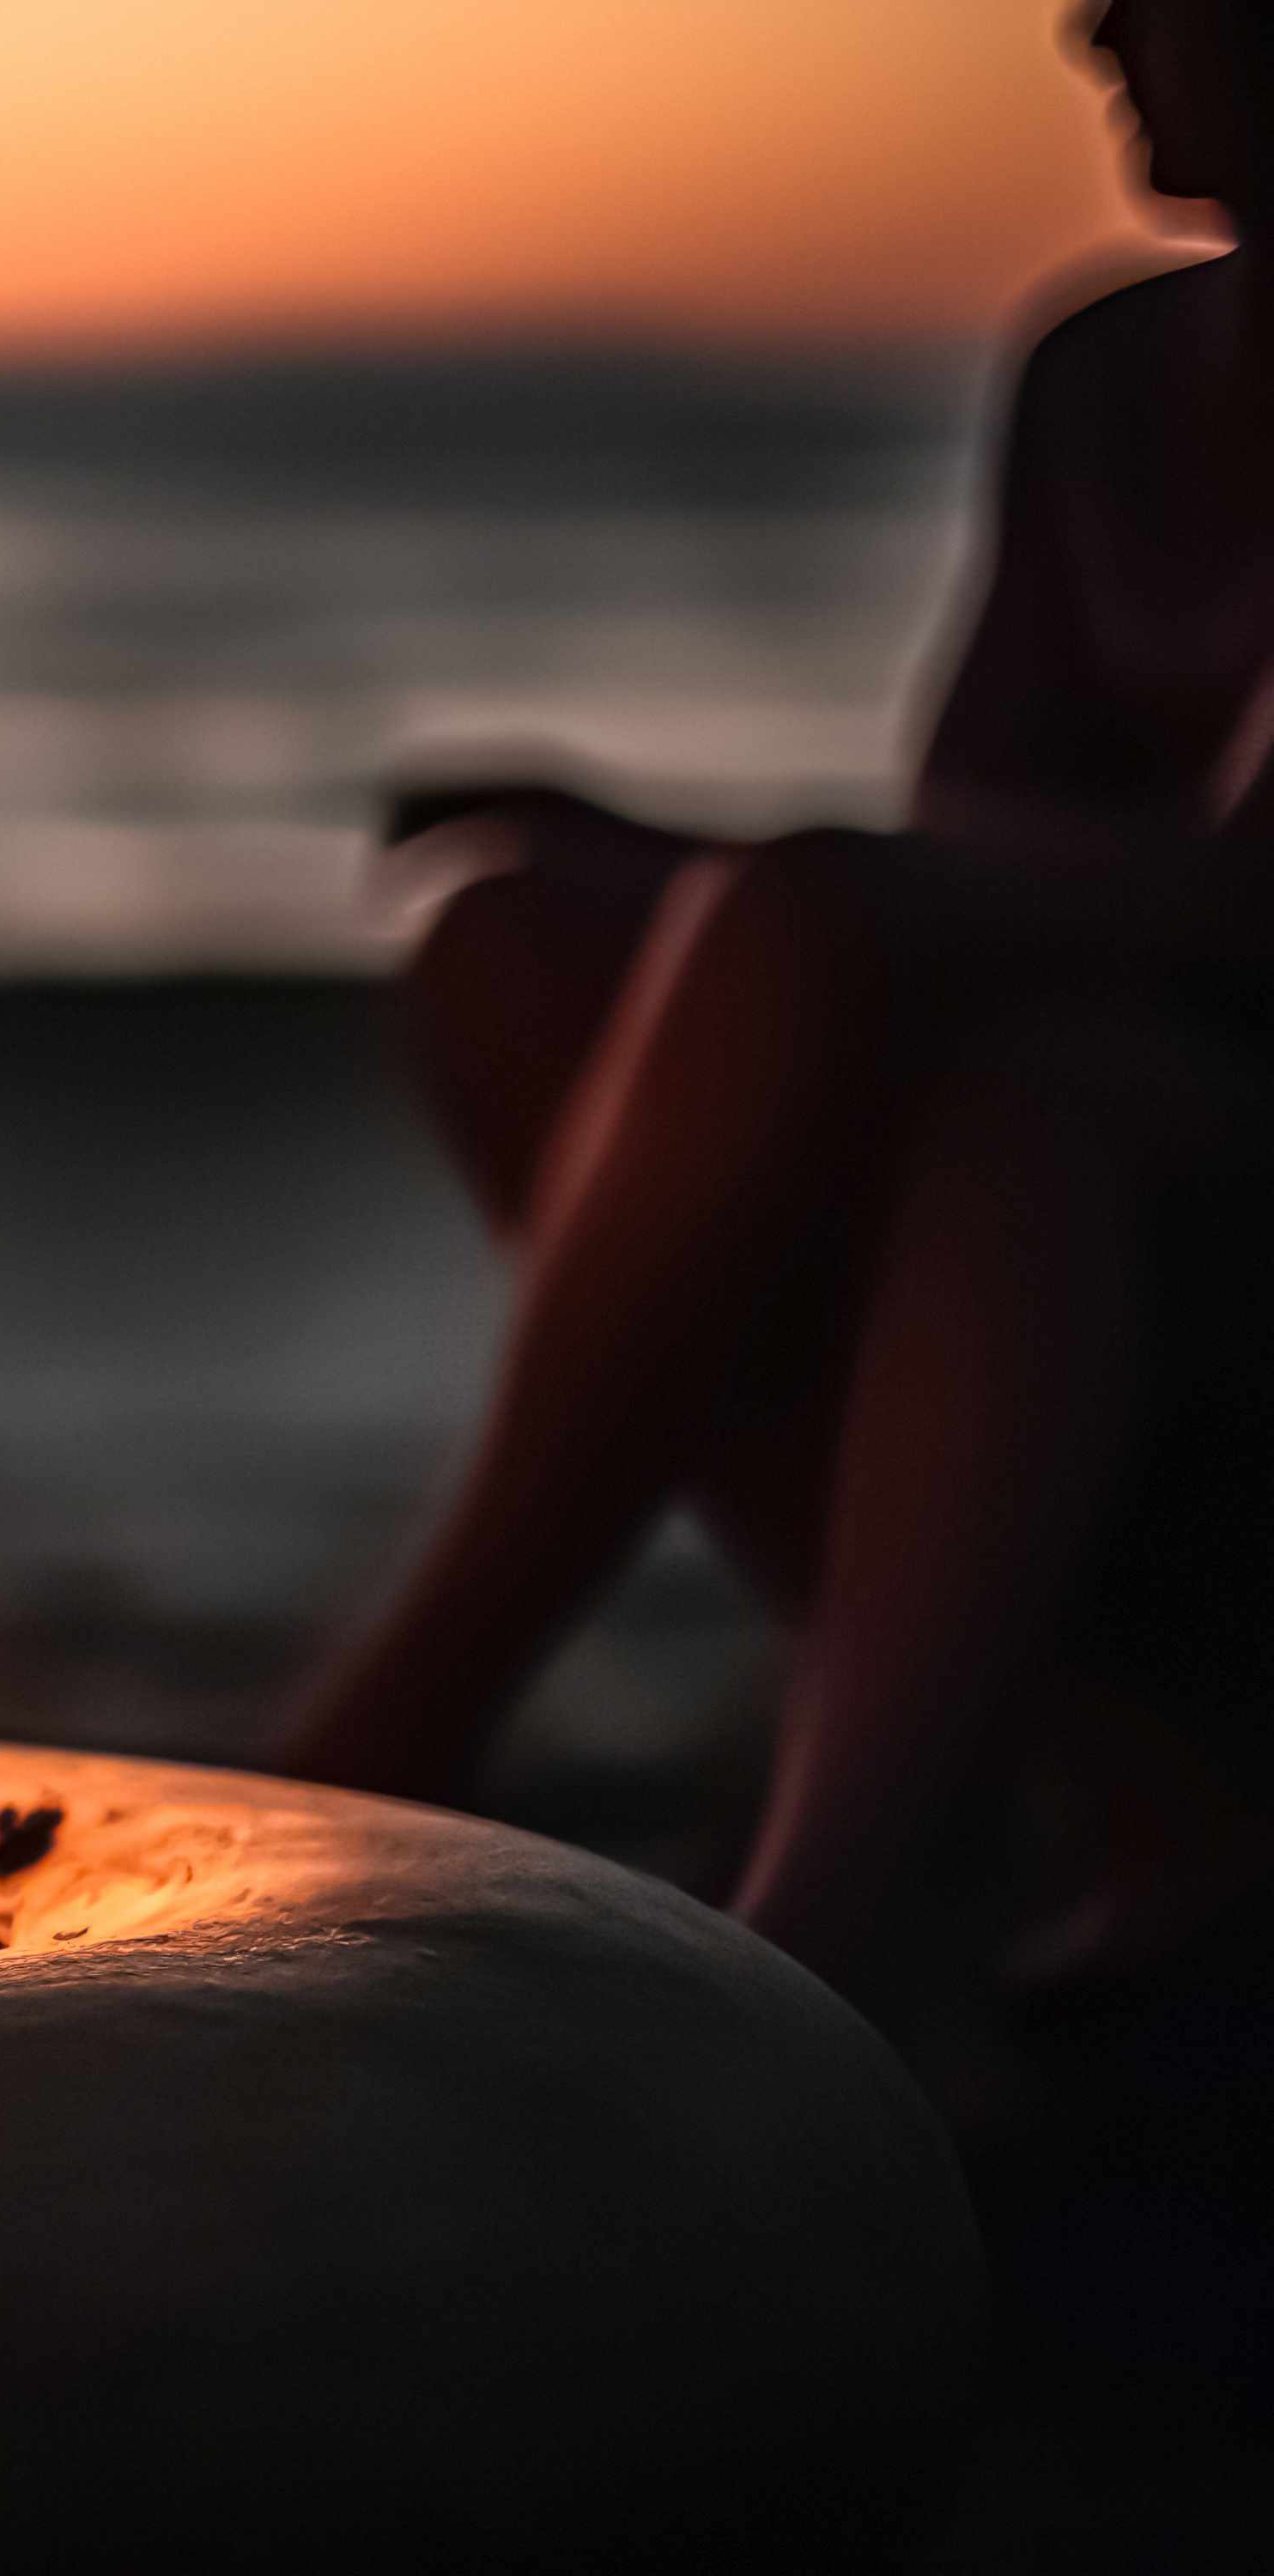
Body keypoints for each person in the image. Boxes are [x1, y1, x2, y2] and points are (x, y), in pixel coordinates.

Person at [282, 0, 1274, 1980]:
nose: (1088, 34)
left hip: (1189, 1128)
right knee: (519, 946)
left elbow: (1243, 903)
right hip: (1130, 1059)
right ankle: (1077, 1761)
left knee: (1025, 1123)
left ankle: (792, 1900)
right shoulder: (1106, 374)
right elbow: (975, 841)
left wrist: (779, 894)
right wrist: (648, 853)